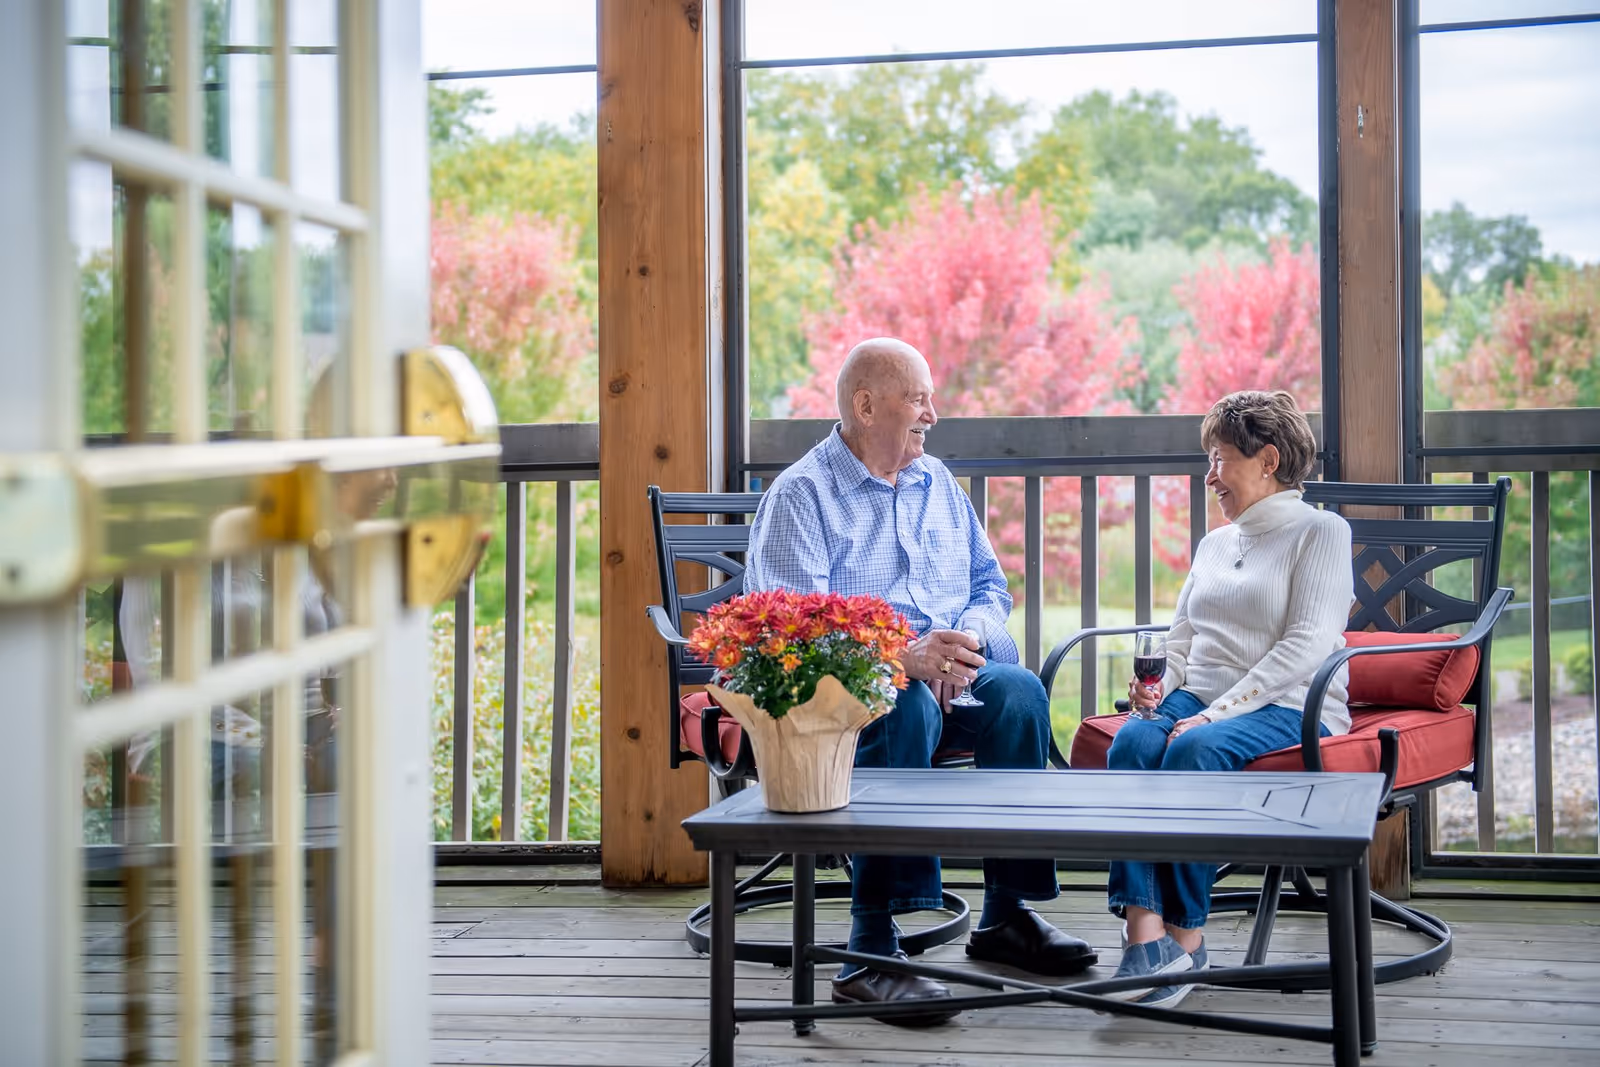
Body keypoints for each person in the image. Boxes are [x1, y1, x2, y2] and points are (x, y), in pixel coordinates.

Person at [745, 337, 1095, 1026]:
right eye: (919, 398)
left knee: (1020, 691)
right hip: (851, 694)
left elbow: (988, 586)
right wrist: (903, 658)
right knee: (901, 705)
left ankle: (1005, 914)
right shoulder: (802, 496)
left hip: (948, 673)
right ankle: (871, 946)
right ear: (866, 404)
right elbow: (795, 632)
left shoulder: (937, 481)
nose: (932, 412)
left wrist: (966, 645)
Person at [1104, 389, 1354, 1008]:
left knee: (1194, 753)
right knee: (1134, 741)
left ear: (1267, 459)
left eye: (1220, 460)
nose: (1209, 475)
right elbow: (1183, 639)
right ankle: (1145, 940)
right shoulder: (1216, 543)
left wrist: (1212, 715)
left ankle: (1187, 942)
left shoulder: (1321, 532)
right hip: (1204, 697)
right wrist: (1157, 689)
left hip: (1290, 704)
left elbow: (1305, 645)